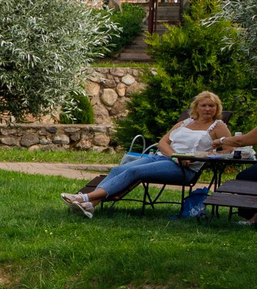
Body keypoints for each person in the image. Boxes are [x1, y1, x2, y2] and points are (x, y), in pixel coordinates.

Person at [64, 90, 235, 216]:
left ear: (217, 108)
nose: (207, 109)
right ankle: (91, 205)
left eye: (211, 106)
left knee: (134, 171)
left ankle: (85, 197)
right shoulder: (185, 123)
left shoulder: (218, 126)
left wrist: (205, 155)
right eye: (203, 105)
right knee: (118, 169)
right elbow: (163, 142)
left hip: (185, 169)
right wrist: (175, 156)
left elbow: (229, 150)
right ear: (196, 107)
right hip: (165, 158)